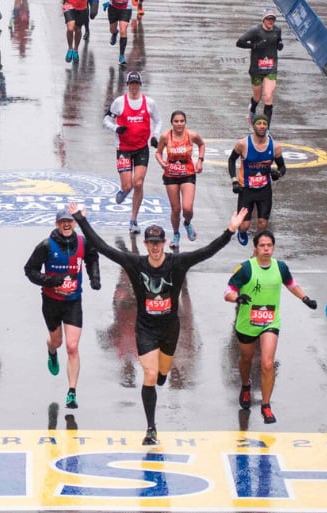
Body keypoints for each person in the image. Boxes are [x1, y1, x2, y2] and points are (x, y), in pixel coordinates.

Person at [72, 204, 249, 445]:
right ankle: (151, 428)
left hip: (169, 329)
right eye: (151, 243)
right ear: (145, 244)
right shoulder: (135, 263)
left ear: (164, 243)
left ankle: (165, 373)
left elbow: (207, 251)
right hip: (145, 329)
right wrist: (80, 219)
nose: (155, 248)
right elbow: (103, 247)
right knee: (150, 374)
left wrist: (230, 230)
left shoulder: (177, 263)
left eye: (158, 243)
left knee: (163, 372)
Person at [223, 231, 319, 424]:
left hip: (270, 321)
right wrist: (237, 297)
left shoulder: (280, 267)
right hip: (247, 323)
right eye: (262, 246)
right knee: (246, 360)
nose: (266, 249)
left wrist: (305, 298)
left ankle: (266, 406)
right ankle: (246, 385)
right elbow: (228, 291)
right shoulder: (245, 268)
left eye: (269, 245)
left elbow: (291, 284)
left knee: (267, 363)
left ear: (273, 247)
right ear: (255, 248)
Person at [23, 206, 101, 410]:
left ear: (74, 224)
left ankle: (72, 392)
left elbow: (92, 258)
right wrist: (51, 281)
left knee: (73, 346)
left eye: (70, 221)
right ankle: (50, 350)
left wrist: (94, 278)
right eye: (62, 222)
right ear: (57, 225)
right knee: (57, 342)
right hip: (51, 302)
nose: (66, 224)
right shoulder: (46, 246)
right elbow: (29, 270)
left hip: (73, 301)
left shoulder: (83, 243)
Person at [104, 71, 162, 232]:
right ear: (128, 85)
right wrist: (116, 128)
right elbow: (106, 120)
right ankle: (124, 191)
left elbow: (158, 120)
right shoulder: (119, 102)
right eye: (131, 84)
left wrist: (155, 135)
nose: (134, 87)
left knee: (138, 183)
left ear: (140, 85)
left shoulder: (149, 103)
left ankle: (133, 220)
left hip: (141, 148)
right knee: (128, 185)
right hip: (123, 149)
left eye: (137, 84)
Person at [229, 115, 285, 245]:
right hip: (246, 189)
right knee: (244, 225)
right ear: (254, 126)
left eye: (264, 124)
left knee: (262, 223)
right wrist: (234, 180)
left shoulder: (274, 146)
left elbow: (282, 167)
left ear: (267, 126)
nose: (262, 126)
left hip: (264, 189)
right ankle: (241, 232)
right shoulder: (243, 144)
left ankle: (257, 249)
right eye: (258, 123)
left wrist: (278, 174)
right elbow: (231, 160)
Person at [155, 110, 204, 251]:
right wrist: (161, 162)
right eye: (176, 121)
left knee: (187, 208)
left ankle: (187, 223)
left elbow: (201, 145)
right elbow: (158, 152)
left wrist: (200, 161)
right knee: (176, 209)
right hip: (171, 175)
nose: (179, 124)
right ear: (172, 123)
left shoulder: (191, 135)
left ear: (185, 122)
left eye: (182, 121)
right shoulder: (166, 136)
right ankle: (176, 235)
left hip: (187, 173)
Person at [236, 9, 284, 123]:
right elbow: (239, 43)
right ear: (263, 20)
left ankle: (267, 129)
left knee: (268, 96)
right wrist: (254, 46)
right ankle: (252, 109)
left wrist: (280, 44)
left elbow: (278, 41)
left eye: (272, 19)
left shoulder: (277, 30)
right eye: (268, 19)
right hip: (256, 69)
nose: (270, 21)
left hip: (271, 68)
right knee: (257, 97)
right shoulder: (255, 31)